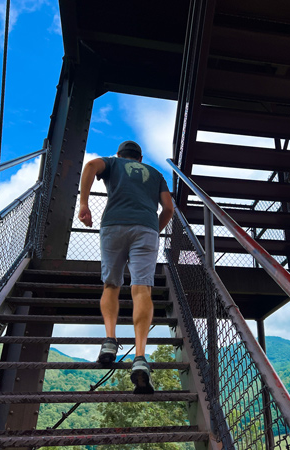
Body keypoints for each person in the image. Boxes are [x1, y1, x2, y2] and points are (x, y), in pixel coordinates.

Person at [78, 140, 174, 394]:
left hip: (114, 225)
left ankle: (110, 341)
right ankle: (140, 357)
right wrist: (154, 229)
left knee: (111, 284)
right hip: (146, 229)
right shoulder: (156, 174)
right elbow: (169, 208)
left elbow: (90, 166)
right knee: (142, 289)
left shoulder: (112, 163)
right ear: (140, 158)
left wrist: (84, 204)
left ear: (119, 154)